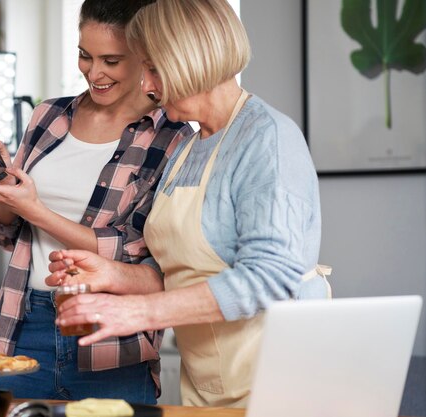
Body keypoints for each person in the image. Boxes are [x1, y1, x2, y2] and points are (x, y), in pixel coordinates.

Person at [48, 0, 331, 408]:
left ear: (191, 61)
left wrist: (140, 314)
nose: (146, 85)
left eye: (154, 68)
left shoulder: (267, 139)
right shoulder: (188, 146)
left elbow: (271, 278)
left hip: (281, 380)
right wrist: (111, 275)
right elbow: (181, 272)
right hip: (210, 384)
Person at [0, 0, 192, 403]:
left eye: (112, 60)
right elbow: (7, 232)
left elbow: (137, 251)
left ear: (147, 56)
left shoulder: (172, 136)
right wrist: (5, 190)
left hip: (110, 337)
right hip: (21, 323)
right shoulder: (48, 116)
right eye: (85, 56)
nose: (94, 72)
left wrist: (37, 210)